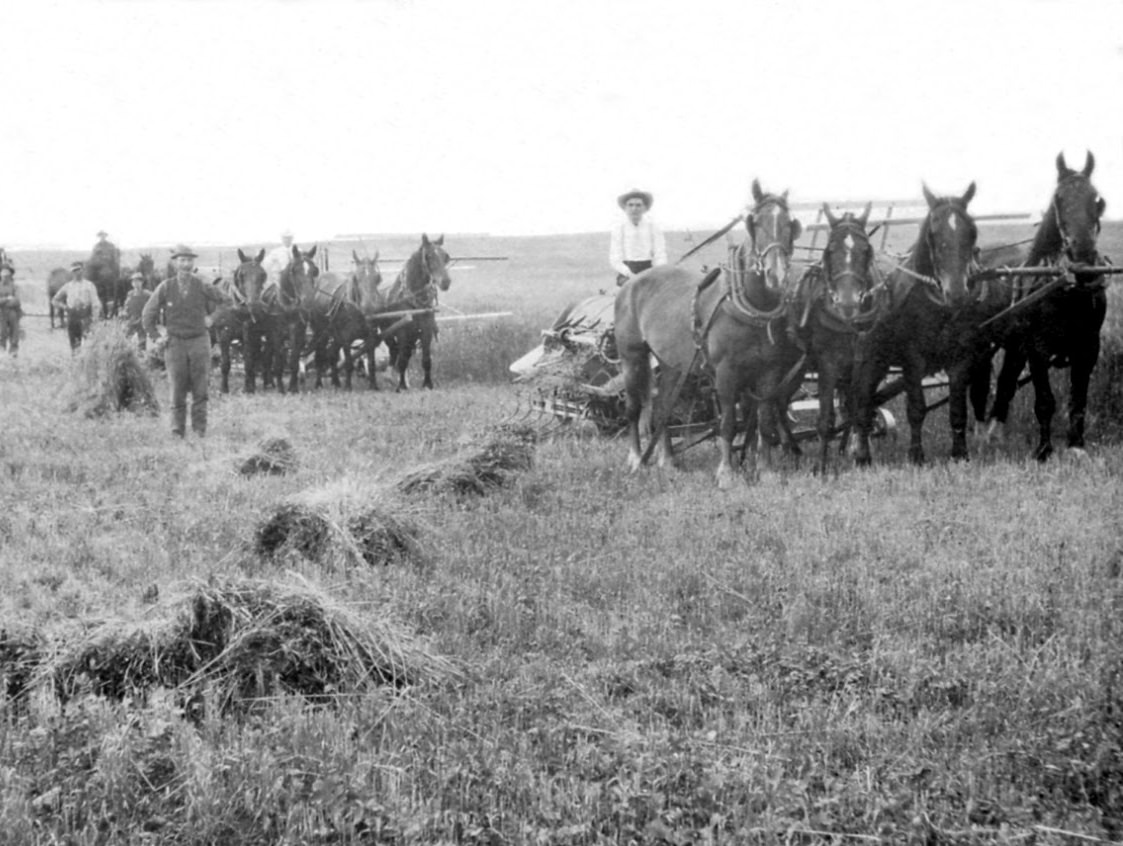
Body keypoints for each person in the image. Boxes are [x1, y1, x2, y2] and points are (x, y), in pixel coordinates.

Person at [142, 244, 232, 438]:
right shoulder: (165, 287)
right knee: (177, 389)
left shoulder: (202, 285)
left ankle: (200, 431)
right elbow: (147, 316)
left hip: (199, 342)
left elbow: (226, 301)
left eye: (189, 260)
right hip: (174, 344)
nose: (186, 264)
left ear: (193, 263)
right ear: (175, 263)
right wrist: (158, 337)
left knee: (201, 389)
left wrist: (212, 318)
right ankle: (177, 432)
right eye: (182, 260)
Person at [609, 188, 667, 285]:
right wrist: (629, 274)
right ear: (625, 208)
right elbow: (615, 259)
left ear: (645, 208)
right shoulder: (619, 228)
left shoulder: (653, 227)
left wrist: (656, 271)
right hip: (627, 272)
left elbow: (660, 254)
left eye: (638, 205)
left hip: (649, 270)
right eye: (630, 205)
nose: (634, 209)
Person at [52, 262, 100, 353]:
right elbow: (55, 300)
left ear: (83, 270)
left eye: (78, 269)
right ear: (71, 272)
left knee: (88, 345)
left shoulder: (89, 285)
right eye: (74, 270)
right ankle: (76, 363)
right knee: (74, 345)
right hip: (72, 317)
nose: (77, 272)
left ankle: (86, 364)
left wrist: (95, 319)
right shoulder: (68, 286)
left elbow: (95, 303)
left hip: (85, 316)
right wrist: (65, 307)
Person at [123, 271, 150, 350]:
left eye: (138, 281)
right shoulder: (130, 294)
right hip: (132, 318)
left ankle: (141, 356)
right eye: (133, 281)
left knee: (142, 340)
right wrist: (125, 313)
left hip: (142, 319)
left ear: (142, 282)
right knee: (127, 337)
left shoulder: (147, 294)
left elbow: (152, 307)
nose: (135, 283)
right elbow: (127, 306)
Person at [262, 229, 295, 294]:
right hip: (279, 278)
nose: (287, 240)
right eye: (285, 238)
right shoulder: (276, 252)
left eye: (289, 238)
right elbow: (266, 263)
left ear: (292, 239)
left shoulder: (298, 251)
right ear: (282, 239)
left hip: (294, 278)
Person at [0, 263, 21, 358]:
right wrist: (7, 299)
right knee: (1, 333)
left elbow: (17, 301)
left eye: (7, 276)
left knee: (14, 333)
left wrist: (5, 302)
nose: (6, 278)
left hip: (12, 312)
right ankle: (1, 352)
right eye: (4, 276)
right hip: (1, 313)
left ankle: (13, 353)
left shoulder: (14, 287)